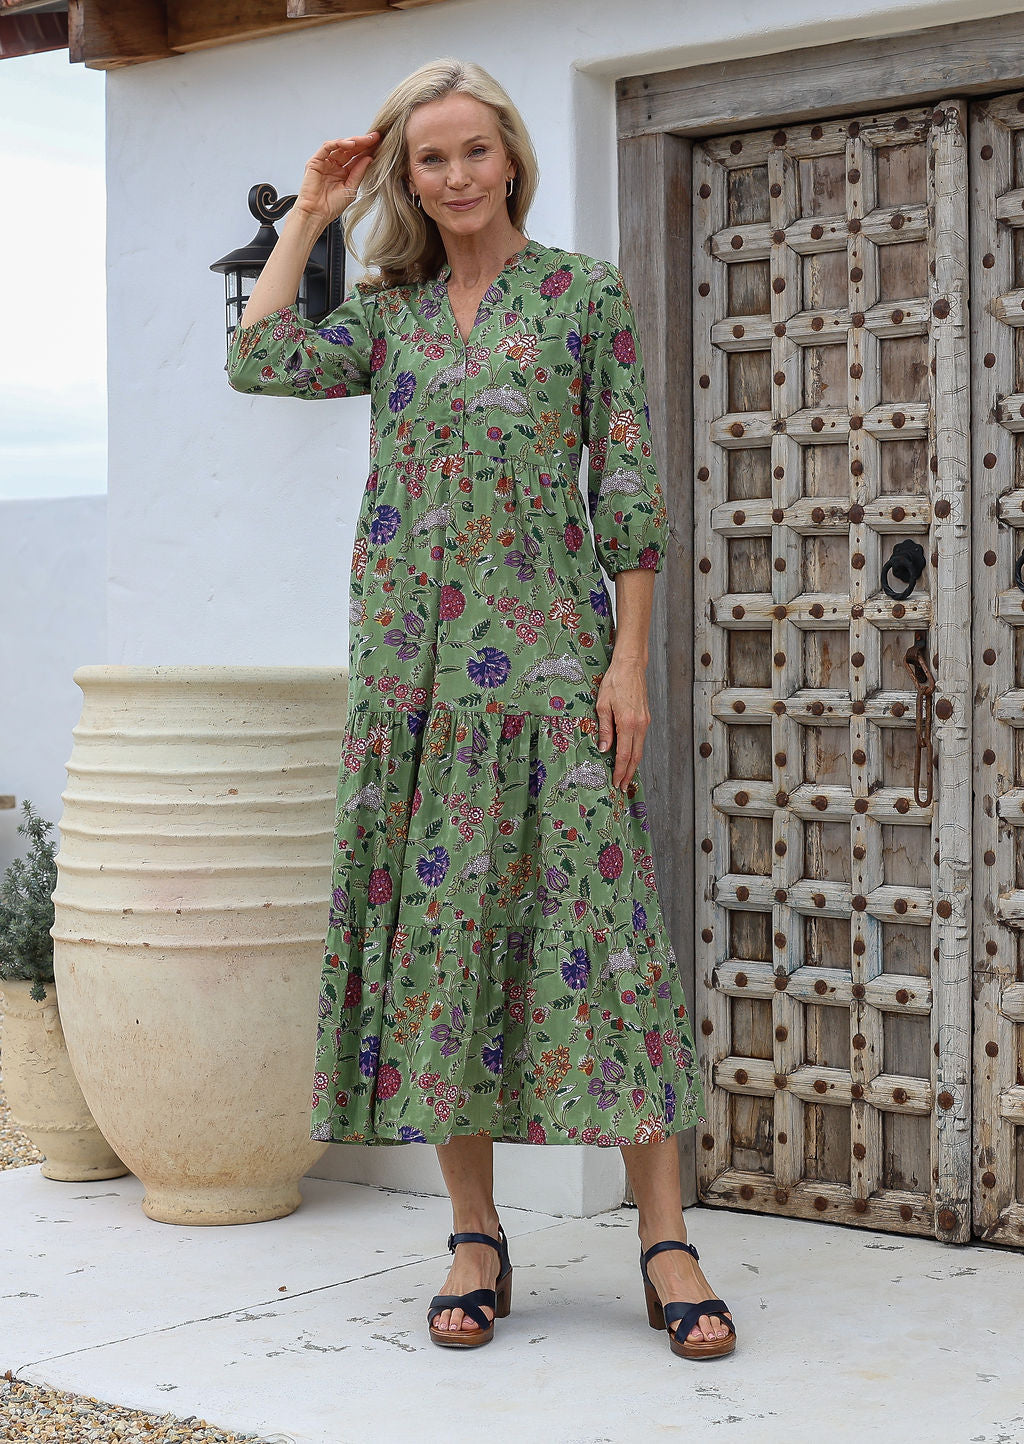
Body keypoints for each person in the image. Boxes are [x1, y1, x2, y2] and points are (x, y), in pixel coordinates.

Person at [225, 56, 735, 1362]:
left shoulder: (582, 299)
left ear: (511, 155)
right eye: (429, 159)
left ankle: (664, 1236)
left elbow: (628, 496)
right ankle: (474, 1235)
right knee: (441, 946)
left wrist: (627, 667)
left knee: (607, 940)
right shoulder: (389, 319)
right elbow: (262, 360)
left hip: (556, 670)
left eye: (472, 151)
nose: (454, 177)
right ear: (411, 176)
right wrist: (309, 219)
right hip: (412, 678)